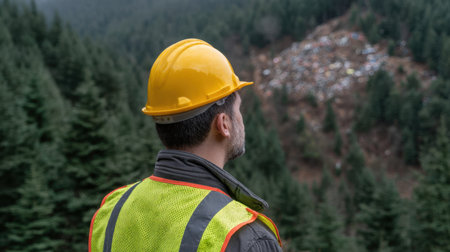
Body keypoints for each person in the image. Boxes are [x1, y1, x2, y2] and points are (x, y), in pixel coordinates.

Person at [89, 39, 282, 252]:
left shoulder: (112, 212)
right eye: (238, 109)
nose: (242, 119)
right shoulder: (244, 238)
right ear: (223, 124)